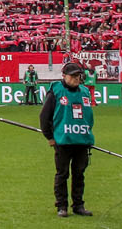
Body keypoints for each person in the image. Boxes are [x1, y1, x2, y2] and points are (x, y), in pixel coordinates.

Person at [40, 61, 94, 218]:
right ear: (64, 76)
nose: (77, 78)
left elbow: (89, 117)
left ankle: (78, 205)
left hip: (81, 141)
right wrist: (49, 137)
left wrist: (88, 134)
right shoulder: (56, 91)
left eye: (79, 75)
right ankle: (61, 206)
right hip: (63, 141)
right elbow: (44, 116)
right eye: (73, 76)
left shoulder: (84, 91)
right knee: (62, 174)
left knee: (79, 174)